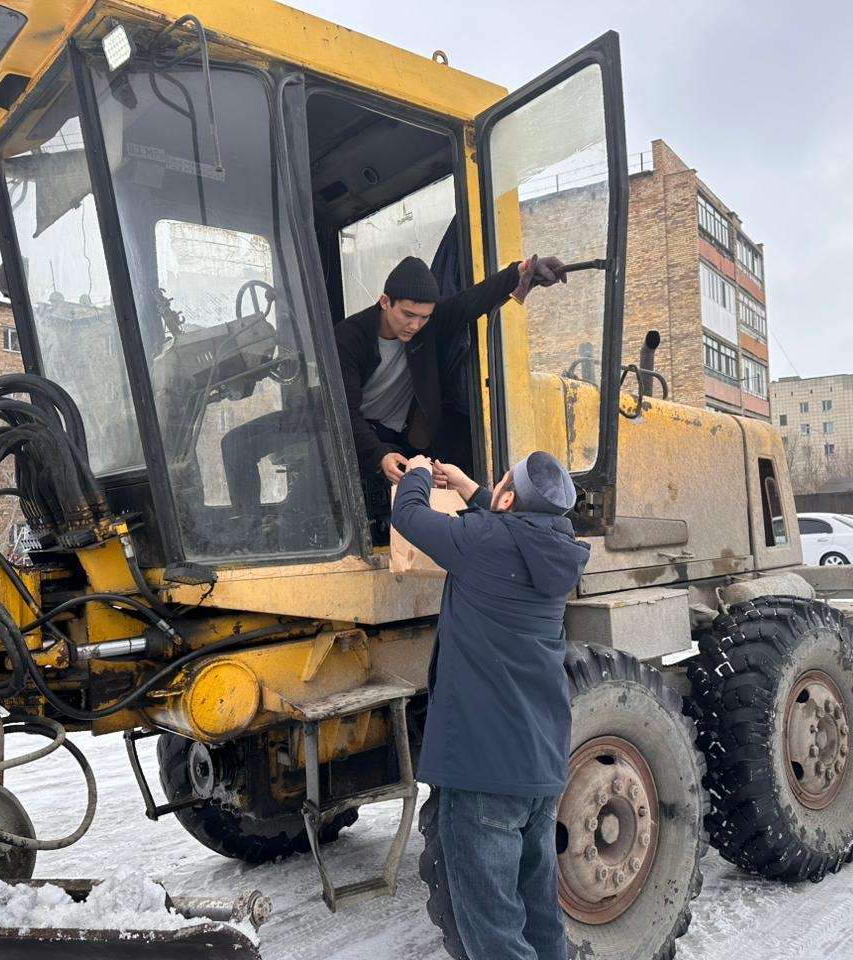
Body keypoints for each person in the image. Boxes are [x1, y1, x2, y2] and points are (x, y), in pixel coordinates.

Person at [390, 451, 591, 960]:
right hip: (539, 767)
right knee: (541, 917)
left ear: (506, 499)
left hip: (483, 773)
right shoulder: (558, 551)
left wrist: (415, 472)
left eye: (498, 486)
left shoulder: (481, 542)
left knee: (493, 934)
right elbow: (511, 528)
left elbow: (409, 517)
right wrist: (466, 486)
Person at [335, 255, 565, 488]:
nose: (415, 326)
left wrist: (522, 271)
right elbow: (344, 411)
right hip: (357, 437)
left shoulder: (428, 325)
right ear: (385, 302)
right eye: (408, 314)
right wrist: (378, 454)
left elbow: (471, 301)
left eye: (424, 317)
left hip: (406, 437)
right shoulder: (349, 337)